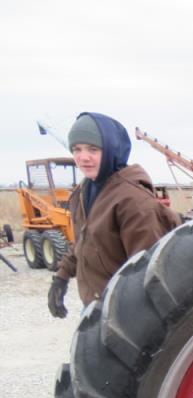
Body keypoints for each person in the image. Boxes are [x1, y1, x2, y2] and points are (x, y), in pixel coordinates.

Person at [47, 112, 180, 318]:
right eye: (77, 149)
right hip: (96, 305)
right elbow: (86, 241)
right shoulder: (85, 191)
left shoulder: (133, 200)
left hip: (124, 314)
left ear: (111, 150)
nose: (83, 157)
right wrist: (61, 277)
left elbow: (147, 270)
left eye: (93, 149)